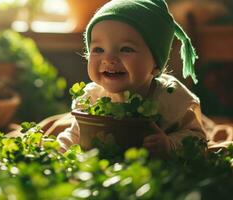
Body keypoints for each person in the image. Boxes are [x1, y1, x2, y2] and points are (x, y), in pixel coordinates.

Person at [57, 0, 206, 158]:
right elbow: (75, 134)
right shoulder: (91, 98)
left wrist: (170, 144)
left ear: (156, 63)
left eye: (126, 49)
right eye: (98, 49)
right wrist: (60, 148)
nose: (108, 59)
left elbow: (198, 138)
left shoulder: (172, 98)